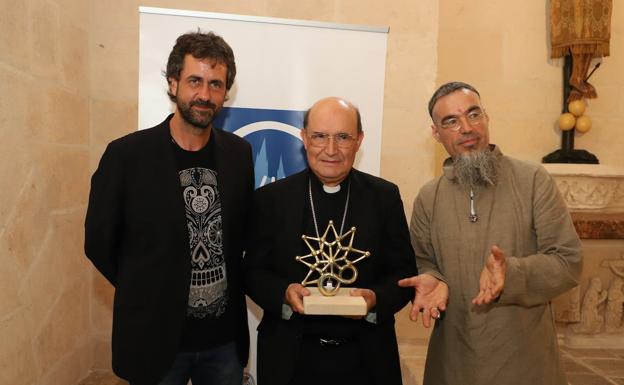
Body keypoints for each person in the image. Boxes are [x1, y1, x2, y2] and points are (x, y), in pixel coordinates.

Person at [85, 31, 253, 385]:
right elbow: (100, 242)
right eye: (195, 81)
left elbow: (241, 235)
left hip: (224, 343)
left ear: (226, 91)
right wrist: (147, 286)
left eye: (215, 84)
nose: (204, 95)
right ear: (173, 82)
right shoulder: (126, 156)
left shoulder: (240, 154)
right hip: (155, 340)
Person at [399, 82, 583, 385]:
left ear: (487, 117)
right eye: (451, 121)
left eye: (474, 114)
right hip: (452, 360)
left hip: (524, 361)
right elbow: (423, 262)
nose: (467, 128)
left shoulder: (532, 180)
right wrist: (434, 278)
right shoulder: (429, 197)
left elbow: (568, 262)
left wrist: (512, 273)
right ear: (436, 133)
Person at [244, 97, 417, 385]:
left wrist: (375, 300)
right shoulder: (271, 199)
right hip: (291, 360)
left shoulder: (383, 198)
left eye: (343, 137)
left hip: (366, 360)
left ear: (359, 140)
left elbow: (404, 274)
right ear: (304, 138)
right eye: (320, 136)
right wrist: (283, 293)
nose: (331, 149)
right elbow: (252, 273)